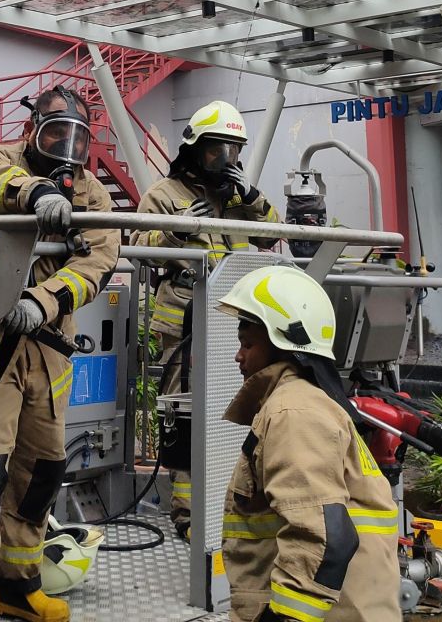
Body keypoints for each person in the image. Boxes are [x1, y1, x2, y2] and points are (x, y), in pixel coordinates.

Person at [0, 88, 119, 622]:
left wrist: (42, 303)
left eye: (76, 140)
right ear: (33, 132)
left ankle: (15, 586)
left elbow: (97, 263)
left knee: (41, 471)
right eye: (54, 135)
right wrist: (35, 194)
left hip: (48, 350)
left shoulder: (92, 193)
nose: (65, 149)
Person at [129, 99, 281, 539]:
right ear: (195, 148)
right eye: (217, 150)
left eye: (234, 151)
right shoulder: (164, 194)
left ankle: (233, 504)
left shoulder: (236, 198)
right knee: (190, 417)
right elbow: (139, 243)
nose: (226, 160)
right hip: (184, 324)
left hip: (237, 325)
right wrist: (177, 229)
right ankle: (190, 517)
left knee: (242, 415)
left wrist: (253, 198)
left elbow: (277, 234)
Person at [216, 265, 401, 622]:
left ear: (283, 344)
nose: (239, 356)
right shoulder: (297, 403)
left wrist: (284, 617)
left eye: (248, 344)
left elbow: (325, 536)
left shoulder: (294, 411)